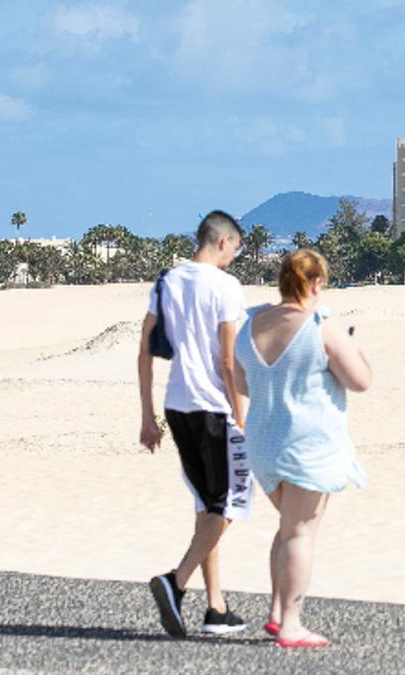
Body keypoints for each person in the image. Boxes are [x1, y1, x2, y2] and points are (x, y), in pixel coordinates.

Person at [232, 249, 371, 648]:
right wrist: (355, 348)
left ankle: (278, 612)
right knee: (300, 534)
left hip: (263, 443)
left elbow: (242, 384)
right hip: (307, 445)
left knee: (288, 528)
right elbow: (360, 381)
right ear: (316, 283)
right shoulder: (321, 326)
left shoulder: (250, 324)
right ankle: (291, 623)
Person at [137, 210, 252, 638]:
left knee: (207, 506)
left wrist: (146, 416)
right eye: (235, 250)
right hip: (213, 409)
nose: (233, 258)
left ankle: (215, 606)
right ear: (222, 241)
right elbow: (228, 360)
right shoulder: (224, 286)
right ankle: (176, 581)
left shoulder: (167, 282)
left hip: (176, 406)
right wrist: (240, 415)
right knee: (229, 504)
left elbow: (145, 351)